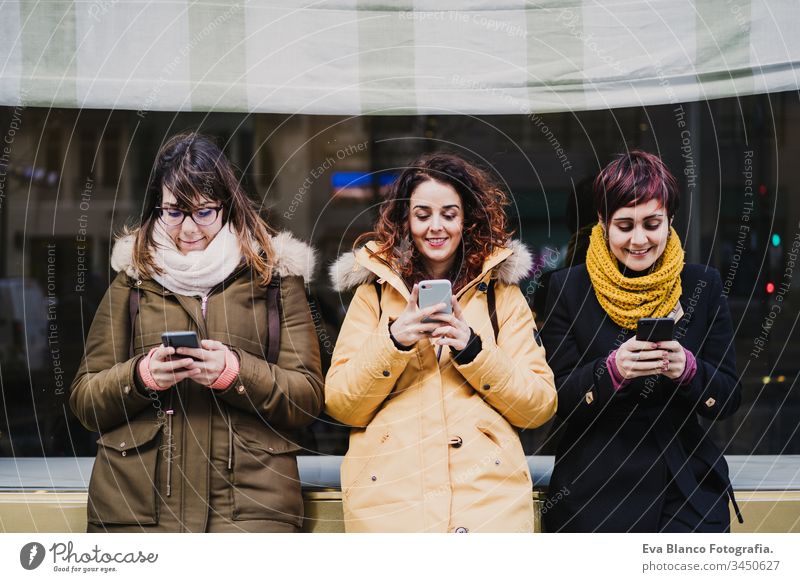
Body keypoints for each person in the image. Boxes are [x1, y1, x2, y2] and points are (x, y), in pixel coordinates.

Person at [70, 133, 324, 532]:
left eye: (203, 212)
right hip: (137, 510)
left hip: (251, 512)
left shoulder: (275, 278)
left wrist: (235, 374)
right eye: (173, 212)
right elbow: (85, 400)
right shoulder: (133, 279)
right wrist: (141, 377)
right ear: (156, 208)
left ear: (227, 207)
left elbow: (307, 399)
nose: (187, 229)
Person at [325, 152, 557, 533]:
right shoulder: (374, 296)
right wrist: (394, 341)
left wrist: (474, 350)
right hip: (392, 508)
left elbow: (538, 407)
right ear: (405, 220)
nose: (436, 227)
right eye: (422, 215)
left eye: (449, 214)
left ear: (466, 220)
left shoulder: (502, 296)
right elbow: (342, 404)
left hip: (487, 505)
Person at [541, 151, 743, 532]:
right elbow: (556, 399)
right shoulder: (568, 288)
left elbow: (728, 398)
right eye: (624, 225)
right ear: (601, 223)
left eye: (652, 223)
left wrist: (689, 370)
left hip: (683, 486)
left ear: (670, 221)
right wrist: (612, 371)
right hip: (593, 490)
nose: (639, 239)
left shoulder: (702, 284)